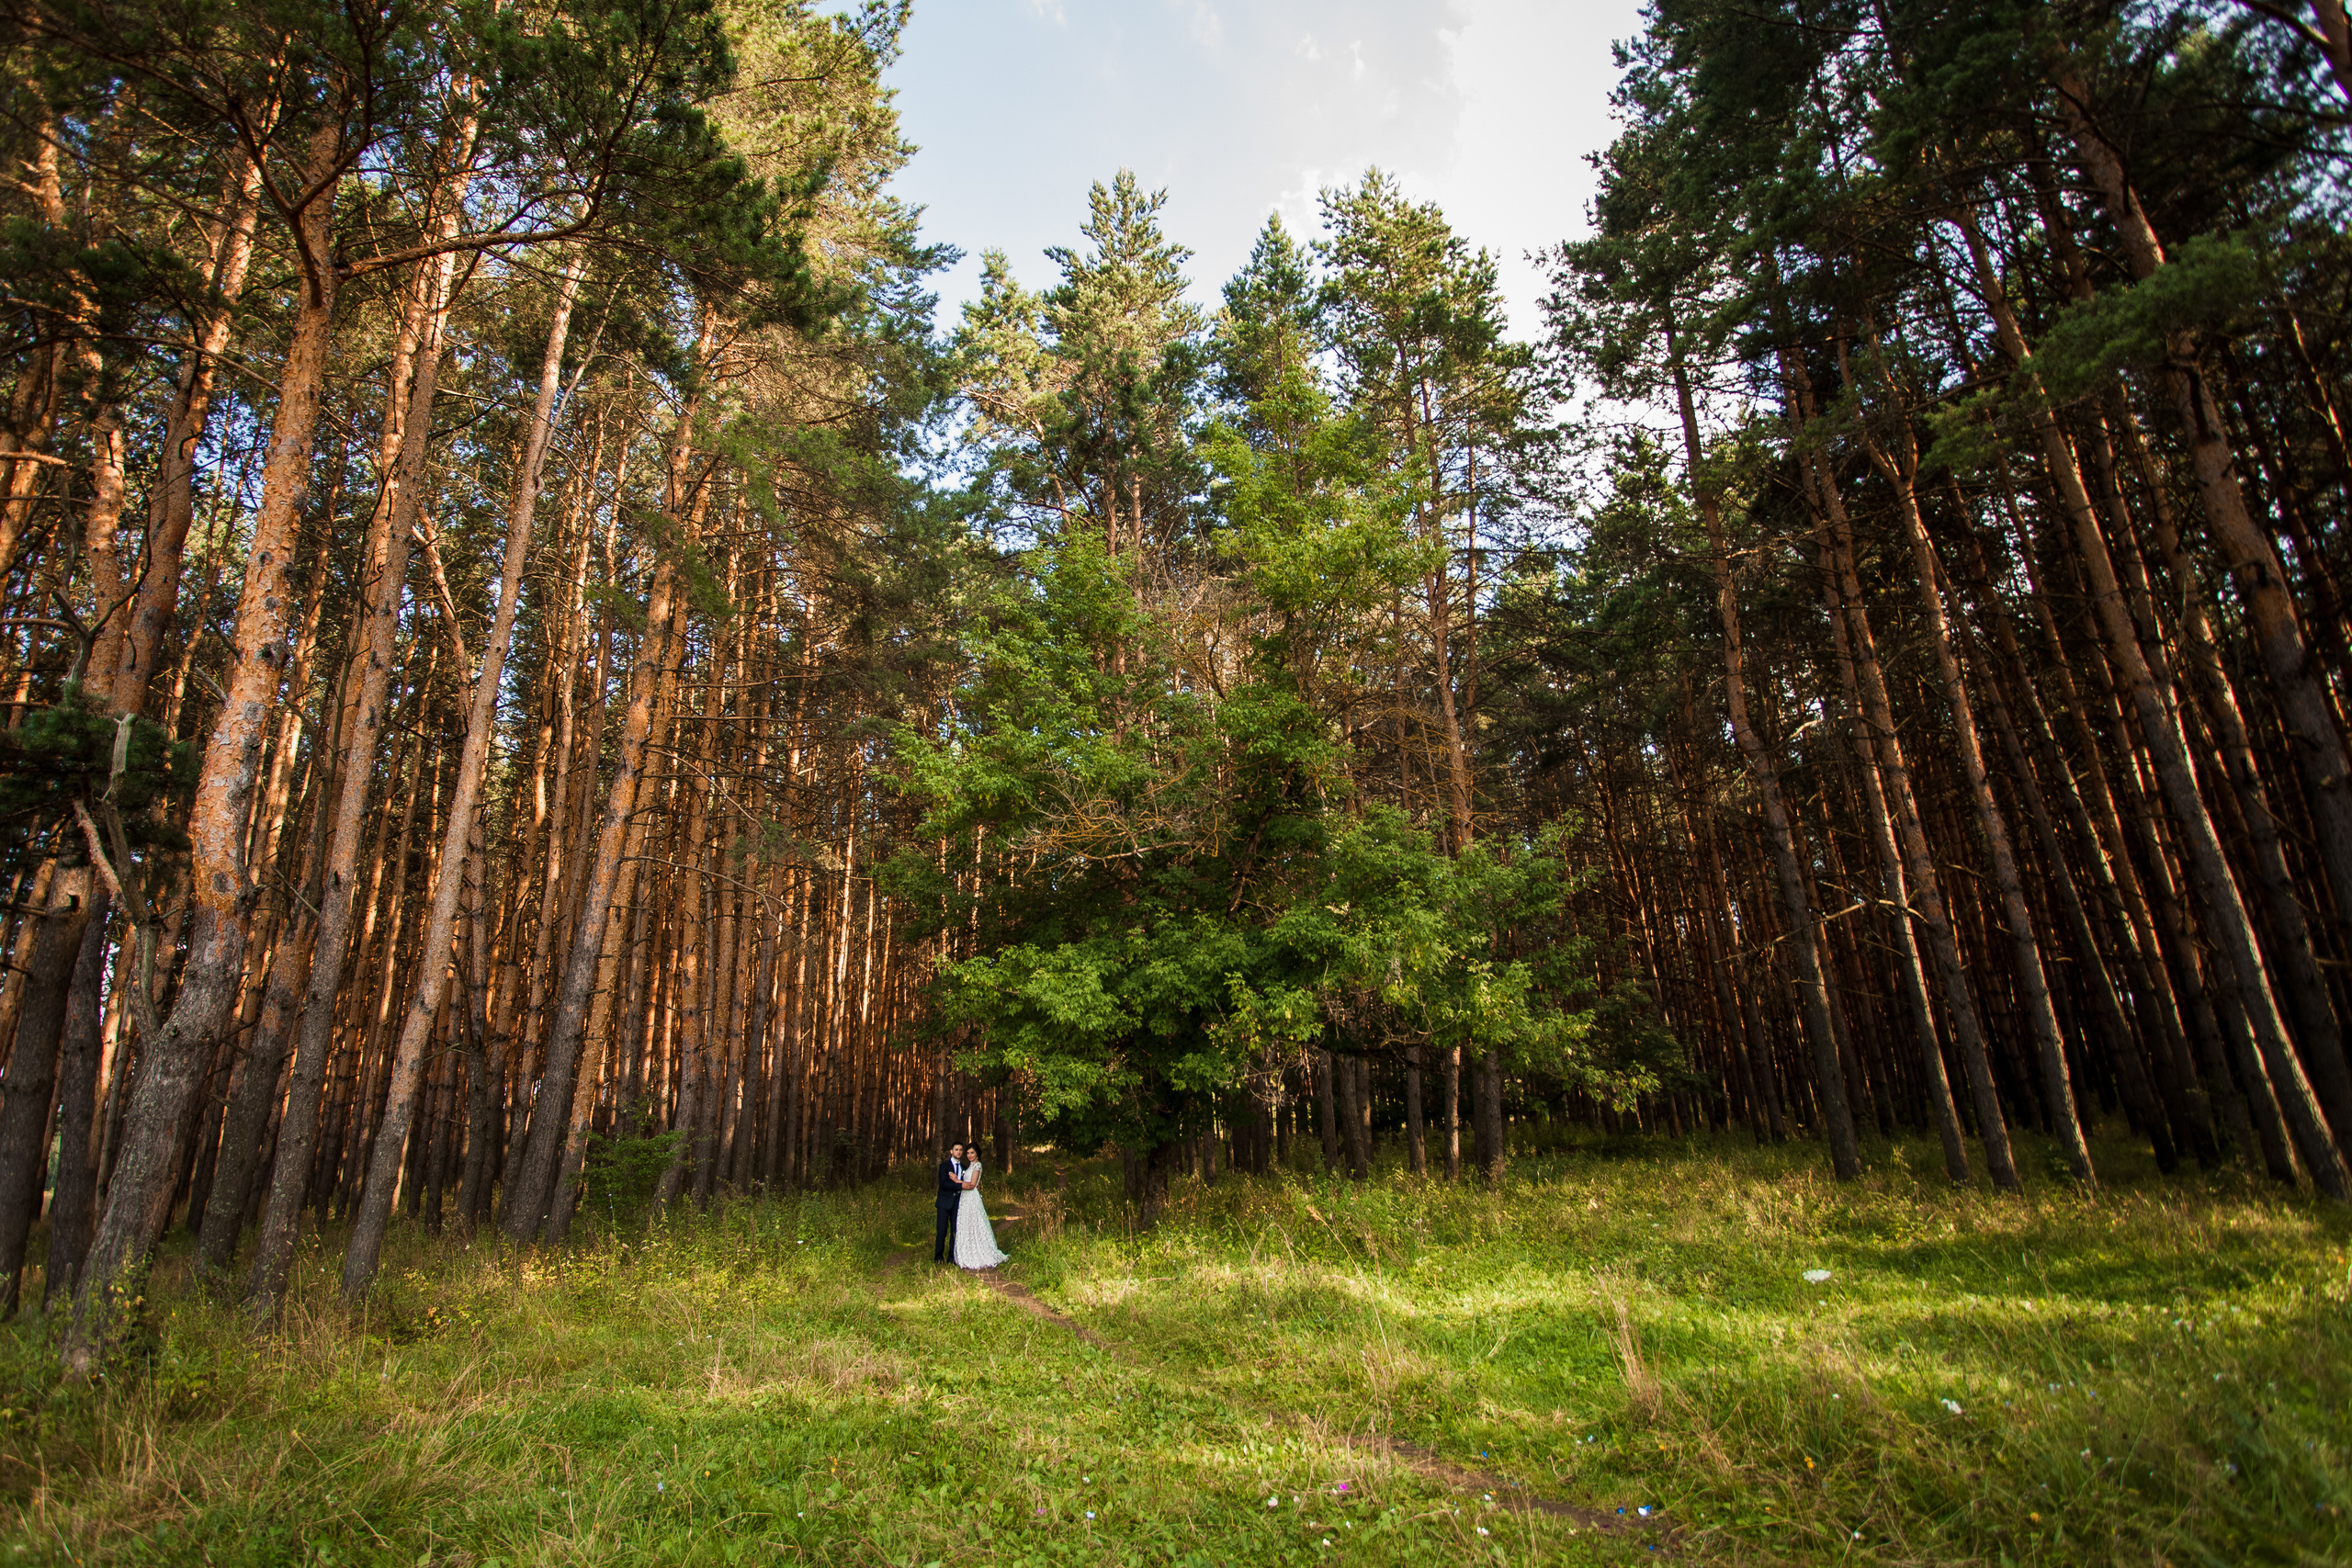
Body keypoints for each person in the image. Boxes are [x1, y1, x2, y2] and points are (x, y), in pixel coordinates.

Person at [953, 1147, 1010, 1269]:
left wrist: (957, 1181)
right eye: (968, 1153)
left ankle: (981, 1251)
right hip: (965, 1198)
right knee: (967, 1223)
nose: (969, 1155)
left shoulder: (977, 1165)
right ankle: (968, 1251)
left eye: (972, 1153)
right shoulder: (970, 1166)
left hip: (971, 1197)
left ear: (977, 1153)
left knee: (975, 1222)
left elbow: (972, 1185)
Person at [933, 1142, 965, 1263]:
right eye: (956, 1149)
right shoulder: (944, 1166)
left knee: (955, 1231)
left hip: (958, 1203)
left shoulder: (965, 1168)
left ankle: (952, 1257)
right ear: (951, 1151)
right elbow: (944, 1184)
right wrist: (960, 1185)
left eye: (960, 1150)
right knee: (942, 1230)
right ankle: (938, 1257)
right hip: (944, 1203)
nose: (958, 1152)